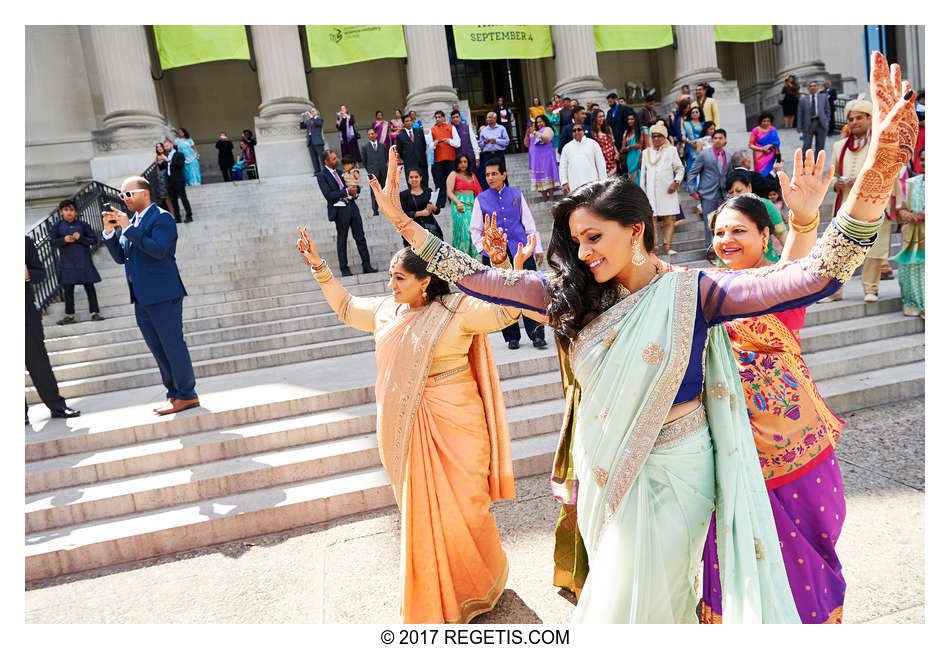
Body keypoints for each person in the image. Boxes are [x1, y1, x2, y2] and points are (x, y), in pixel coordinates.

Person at [369, 54, 913, 619]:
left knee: (636, 602)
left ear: (636, 229)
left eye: (595, 237)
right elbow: (485, 278)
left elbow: (813, 276)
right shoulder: (573, 296)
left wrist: (876, 174)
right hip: (606, 470)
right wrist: (407, 226)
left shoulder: (693, 290)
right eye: (576, 241)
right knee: (631, 595)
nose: (583, 254)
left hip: (681, 467)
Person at [294, 228, 520, 624]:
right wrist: (319, 267)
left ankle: (478, 583)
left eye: (399, 278)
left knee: (465, 510)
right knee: (422, 513)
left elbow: (505, 311)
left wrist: (501, 265)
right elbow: (347, 308)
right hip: (406, 427)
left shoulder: (455, 309)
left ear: (426, 280)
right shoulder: (386, 311)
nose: (390, 284)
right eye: (390, 276)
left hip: (456, 423)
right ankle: (436, 592)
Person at [699, 149, 849, 624]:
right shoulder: (704, 292)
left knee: (809, 560)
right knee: (736, 563)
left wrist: (804, 223)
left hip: (797, 451)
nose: (726, 239)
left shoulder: (778, 288)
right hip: (733, 453)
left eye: (739, 230)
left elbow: (792, 272)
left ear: (766, 236)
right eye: (720, 232)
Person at [101, 176, 199, 415]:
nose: (124, 200)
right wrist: (109, 232)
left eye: (128, 195)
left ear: (144, 193)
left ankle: (187, 394)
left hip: (163, 293)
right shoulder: (131, 222)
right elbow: (120, 257)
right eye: (122, 196)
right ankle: (173, 394)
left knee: (172, 345)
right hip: (141, 297)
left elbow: (158, 250)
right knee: (157, 348)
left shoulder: (162, 218)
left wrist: (128, 228)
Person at [822, 94, 900, 302]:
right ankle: (834, 292)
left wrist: (863, 182)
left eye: (859, 118)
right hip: (845, 208)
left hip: (875, 206)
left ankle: (870, 290)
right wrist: (836, 183)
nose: (854, 122)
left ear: (869, 119)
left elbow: (891, 174)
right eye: (851, 119)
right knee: (839, 251)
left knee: (874, 250)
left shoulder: (880, 145)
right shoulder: (839, 147)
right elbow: (832, 175)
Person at [467, 158, 547, 350]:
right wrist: (484, 250)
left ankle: (537, 334)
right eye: (487, 174)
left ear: (504, 175)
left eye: (494, 173)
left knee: (530, 291)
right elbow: (475, 230)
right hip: (496, 255)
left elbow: (529, 225)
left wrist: (537, 248)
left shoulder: (516, 195)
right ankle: (511, 336)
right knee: (503, 294)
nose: (490, 177)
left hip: (521, 250)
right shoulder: (481, 199)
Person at [26, 235, 80, 423]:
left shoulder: (24, 241)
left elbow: (39, 272)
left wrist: (28, 275)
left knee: (38, 361)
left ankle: (57, 406)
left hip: (25, 313)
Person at [315, 149, 377, 277]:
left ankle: (367, 265)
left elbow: (352, 186)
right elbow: (328, 195)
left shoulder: (340, 172)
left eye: (336, 157)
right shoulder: (322, 176)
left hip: (352, 207)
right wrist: (347, 192)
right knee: (342, 240)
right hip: (339, 211)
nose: (337, 159)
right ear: (326, 162)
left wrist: (356, 190)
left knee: (360, 237)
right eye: (333, 158)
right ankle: (344, 268)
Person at [51, 199, 104, 325]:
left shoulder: (83, 225)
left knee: (90, 288)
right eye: (66, 210)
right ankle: (70, 315)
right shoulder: (57, 226)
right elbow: (52, 241)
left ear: (76, 212)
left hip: (84, 261)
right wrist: (64, 240)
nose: (69, 213)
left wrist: (81, 238)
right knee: (68, 290)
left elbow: (94, 240)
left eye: (71, 210)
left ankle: (95, 313)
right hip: (67, 263)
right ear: (61, 212)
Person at [639, 123, 684, 255]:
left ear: (664, 137)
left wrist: (676, 183)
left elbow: (680, 168)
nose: (656, 139)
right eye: (654, 136)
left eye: (659, 136)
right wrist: (643, 192)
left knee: (669, 219)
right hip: (651, 193)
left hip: (668, 191)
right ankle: (653, 248)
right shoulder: (646, 152)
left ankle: (667, 247)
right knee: (651, 220)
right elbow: (643, 175)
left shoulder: (671, 150)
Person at [725, 169, 788, 261]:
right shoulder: (726, 213)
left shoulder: (766, 206)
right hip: (740, 268)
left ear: (749, 187)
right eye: (731, 193)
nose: (735, 196)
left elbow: (782, 235)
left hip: (767, 264)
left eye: (738, 191)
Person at [686, 128, 729, 258]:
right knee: (709, 222)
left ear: (725, 140)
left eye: (720, 138)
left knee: (724, 223)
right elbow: (692, 173)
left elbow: (729, 175)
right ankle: (710, 249)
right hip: (707, 194)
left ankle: (723, 247)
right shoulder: (704, 154)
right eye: (715, 138)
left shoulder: (729, 156)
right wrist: (692, 190)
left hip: (724, 194)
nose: (717, 140)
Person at [893, 148, 924, 318]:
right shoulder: (913, 182)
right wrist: (906, 214)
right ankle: (914, 305)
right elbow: (901, 207)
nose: (925, 163)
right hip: (913, 234)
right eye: (923, 159)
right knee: (909, 269)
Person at [445, 153, 482, 258]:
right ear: (457, 163)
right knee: (466, 230)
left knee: (474, 231)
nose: (463, 164)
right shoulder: (453, 174)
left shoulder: (472, 176)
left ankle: (476, 260)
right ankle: (462, 259)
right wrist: (458, 203)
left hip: (472, 207)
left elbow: (478, 193)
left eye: (465, 162)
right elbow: (449, 192)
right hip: (459, 206)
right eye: (460, 162)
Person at [559, 120, 607, 195]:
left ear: (584, 131)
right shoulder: (567, 147)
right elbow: (562, 167)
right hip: (574, 183)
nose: (576, 132)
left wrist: (603, 181)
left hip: (592, 182)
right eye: (574, 130)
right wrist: (564, 182)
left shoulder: (593, 144)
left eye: (579, 129)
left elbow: (601, 163)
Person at [399, 167, 443, 246]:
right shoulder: (404, 195)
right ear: (408, 179)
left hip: (431, 228)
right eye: (411, 177)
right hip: (413, 230)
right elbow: (402, 214)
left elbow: (437, 210)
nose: (414, 179)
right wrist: (420, 213)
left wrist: (433, 208)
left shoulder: (428, 191)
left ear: (421, 178)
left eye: (416, 177)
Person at [427, 110, 461, 211]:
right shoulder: (432, 130)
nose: (438, 119)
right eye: (436, 117)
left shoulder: (451, 127)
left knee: (452, 180)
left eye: (439, 117)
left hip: (451, 159)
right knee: (439, 182)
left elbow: (458, 143)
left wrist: (449, 141)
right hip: (438, 160)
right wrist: (434, 144)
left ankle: (453, 200)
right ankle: (441, 202)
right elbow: (430, 147)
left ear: (444, 118)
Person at [525, 115, 559, 202]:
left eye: (540, 121)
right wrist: (527, 133)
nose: (539, 123)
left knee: (548, 175)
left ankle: (551, 197)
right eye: (537, 122)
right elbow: (526, 144)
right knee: (539, 177)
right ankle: (544, 197)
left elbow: (546, 139)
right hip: (536, 159)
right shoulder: (535, 131)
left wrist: (535, 133)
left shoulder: (548, 129)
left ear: (545, 121)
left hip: (546, 157)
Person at [797, 81, 832, 154]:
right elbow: (800, 114)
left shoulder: (823, 97)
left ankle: (818, 163)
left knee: (820, 146)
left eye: (814, 86)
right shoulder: (803, 99)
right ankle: (805, 162)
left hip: (821, 123)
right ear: (808, 88)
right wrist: (799, 126)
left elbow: (827, 110)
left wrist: (827, 121)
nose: (812, 87)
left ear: (817, 87)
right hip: (808, 124)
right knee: (806, 146)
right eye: (811, 86)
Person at [477, 111, 510, 190]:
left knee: (501, 172)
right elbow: (480, 145)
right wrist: (484, 142)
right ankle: (491, 191)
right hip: (488, 155)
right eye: (487, 117)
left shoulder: (501, 128)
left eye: (489, 117)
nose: (487, 119)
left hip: (498, 154)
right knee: (489, 173)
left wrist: (496, 140)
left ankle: (505, 190)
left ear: (495, 118)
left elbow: (507, 142)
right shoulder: (484, 130)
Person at [163, 139, 193, 223]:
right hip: (169, 181)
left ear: (172, 145)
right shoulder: (165, 156)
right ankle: (177, 217)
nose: (165, 148)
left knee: (183, 198)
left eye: (167, 146)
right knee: (173, 200)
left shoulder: (179, 154)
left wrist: (170, 161)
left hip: (178, 180)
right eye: (164, 146)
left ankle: (189, 215)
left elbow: (180, 165)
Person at [396, 113, 429, 189]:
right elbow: (400, 152)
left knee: (424, 184)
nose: (409, 122)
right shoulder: (400, 136)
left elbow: (423, 146)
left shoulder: (419, 131)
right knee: (412, 187)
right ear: (403, 123)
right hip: (410, 165)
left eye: (410, 120)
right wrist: (409, 159)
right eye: (407, 121)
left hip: (422, 163)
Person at [360, 126, 388, 217]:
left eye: (372, 134)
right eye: (369, 134)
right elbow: (364, 161)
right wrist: (370, 170)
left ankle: (387, 208)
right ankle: (375, 210)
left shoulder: (382, 146)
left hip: (383, 171)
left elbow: (386, 157)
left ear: (376, 134)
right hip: (372, 172)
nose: (371, 135)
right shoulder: (365, 147)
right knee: (374, 192)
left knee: (385, 190)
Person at [589, 109, 619, 177]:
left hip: (611, 159)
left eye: (603, 116)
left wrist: (616, 152)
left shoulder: (608, 129)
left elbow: (612, 143)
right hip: (601, 160)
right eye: (599, 117)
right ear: (595, 118)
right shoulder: (591, 131)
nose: (602, 118)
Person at [605, 92, 635, 158]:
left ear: (616, 99)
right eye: (608, 102)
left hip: (624, 139)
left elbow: (628, 124)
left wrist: (626, 137)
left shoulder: (625, 109)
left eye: (610, 102)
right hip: (614, 141)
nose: (609, 104)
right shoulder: (609, 112)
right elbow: (608, 125)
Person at [620, 112, 645, 183]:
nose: (629, 121)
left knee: (638, 175)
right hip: (629, 157)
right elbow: (622, 149)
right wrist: (624, 137)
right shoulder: (626, 132)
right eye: (628, 119)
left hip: (638, 155)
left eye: (632, 119)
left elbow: (640, 145)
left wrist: (630, 146)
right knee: (631, 174)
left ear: (636, 120)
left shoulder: (640, 131)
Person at [299, 107, 325, 174]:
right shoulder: (309, 120)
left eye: (313, 111)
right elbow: (302, 127)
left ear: (317, 112)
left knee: (322, 157)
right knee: (314, 158)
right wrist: (302, 119)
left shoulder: (319, 119)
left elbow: (318, 124)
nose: (311, 112)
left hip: (318, 141)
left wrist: (311, 116)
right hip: (310, 141)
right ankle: (317, 171)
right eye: (311, 112)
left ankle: (326, 171)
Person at [153, 142, 175, 215]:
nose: (159, 148)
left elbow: (170, 162)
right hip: (162, 178)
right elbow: (157, 168)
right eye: (157, 147)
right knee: (166, 197)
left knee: (172, 195)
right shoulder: (157, 157)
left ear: (163, 147)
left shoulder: (168, 154)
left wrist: (164, 158)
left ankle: (175, 212)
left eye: (160, 146)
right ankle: (172, 214)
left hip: (170, 176)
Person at [682, 106, 704, 176]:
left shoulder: (704, 124)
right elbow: (683, 135)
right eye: (693, 112)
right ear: (690, 114)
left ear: (700, 113)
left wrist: (697, 144)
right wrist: (687, 141)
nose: (695, 114)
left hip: (702, 148)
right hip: (690, 149)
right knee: (691, 170)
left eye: (696, 112)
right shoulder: (686, 124)